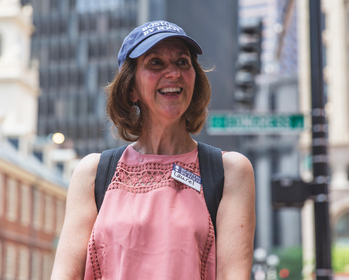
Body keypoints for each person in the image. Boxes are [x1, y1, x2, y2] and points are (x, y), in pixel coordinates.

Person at [51, 20, 256, 280]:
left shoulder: (230, 172)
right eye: (156, 63)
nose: (173, 73)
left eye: (183, 62)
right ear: (131, 88)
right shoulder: (93, 173)